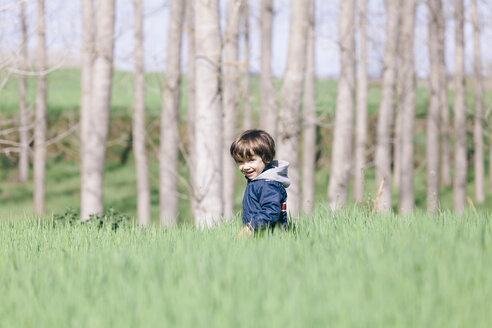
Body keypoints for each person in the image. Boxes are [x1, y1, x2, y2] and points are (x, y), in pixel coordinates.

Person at [230, 129, 290, 237]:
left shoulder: (267, 184)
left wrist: (251, 227)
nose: (245, 166)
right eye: (240, 162)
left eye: (251, 160)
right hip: (260, 236)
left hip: (272, 238)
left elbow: (271, 211)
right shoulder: (257, 182)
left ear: (266, 158)